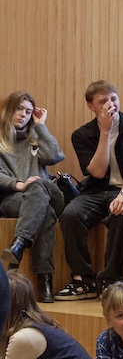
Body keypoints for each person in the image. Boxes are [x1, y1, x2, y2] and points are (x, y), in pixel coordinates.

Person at [54, 81, 123, 299]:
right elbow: (97, 172)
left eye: (113, 99)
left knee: (122, 211)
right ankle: (83, 280)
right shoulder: (81, 134)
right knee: (70, 215)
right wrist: (105, 132)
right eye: (103, 101)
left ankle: (111, 279)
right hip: (95, 191)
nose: (110, 104)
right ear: (90, 106)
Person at [0, 90, 66, 303]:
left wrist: (41, 126)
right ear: (8, 110)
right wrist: (18, 184)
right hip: (14, 199)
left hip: (49, 193)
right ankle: (44, 280)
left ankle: (19, 244)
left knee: (39, 185)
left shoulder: (35, 138)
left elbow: (55, 155)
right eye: (19, 109)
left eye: (28, 111)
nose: (23, 115)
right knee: (43, 211)